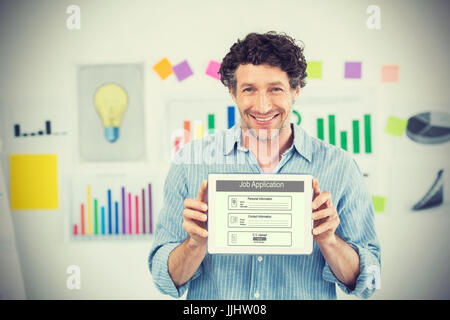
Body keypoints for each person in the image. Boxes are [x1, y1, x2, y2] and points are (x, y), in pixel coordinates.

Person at [149, 31, 381, 300]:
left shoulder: (339, 166)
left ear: (296, 90)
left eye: (275, 89)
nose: (262, 106)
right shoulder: (189, 163)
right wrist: (195, 244)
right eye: (249, 89)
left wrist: (330, 241)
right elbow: (163, 279)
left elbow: (370, 281)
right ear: (232, 92)